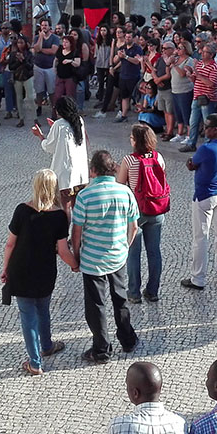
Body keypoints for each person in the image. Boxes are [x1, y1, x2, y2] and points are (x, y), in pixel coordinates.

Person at [1, 167, 77, 376]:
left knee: (28, 316)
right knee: (43, 309)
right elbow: (63, 250)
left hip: (20, 270)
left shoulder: (22, 210)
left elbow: (10, 245)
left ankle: (35, 362)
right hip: (45, 271)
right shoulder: (59, 216)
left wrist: (5, 269)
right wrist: (75, 264)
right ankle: (46, 346)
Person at [72, 149, 140, 364]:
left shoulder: (84, 196)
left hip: (92, 261)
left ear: (92, 171)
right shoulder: (125, 192)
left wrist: (77, 255)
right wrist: (125, 247)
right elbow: (135, 226)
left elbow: (77, 232)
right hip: (118, 256)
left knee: (96, 306)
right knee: (120, 299)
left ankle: (101, 349)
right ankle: (128, 339)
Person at [181, 114, 217, 291]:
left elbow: (192, 164)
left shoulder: (206, 149)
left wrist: (191, 163)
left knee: (201, 237)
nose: (205, 129)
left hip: (205, 195)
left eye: (208, 127)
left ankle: (198, 278)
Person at [117, 124, 169, 304]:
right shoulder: (158, 157)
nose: (130, 139)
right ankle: (153, 291)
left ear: (136, 140)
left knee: (134, 253)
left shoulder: (129, 160)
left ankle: (134, 293)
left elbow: (120, 185)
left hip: (135, 213)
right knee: (154, 252)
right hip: (156, 209)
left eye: (131, 137)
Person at [32, 96, 89, 214]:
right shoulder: (79, 121)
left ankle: (65, 231)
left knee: (65, 207)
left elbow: (49, 146)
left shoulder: (59, 125)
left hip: (65, 174)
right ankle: (78, 231)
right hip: (80, 173)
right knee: (77, 207)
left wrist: (40, 135)